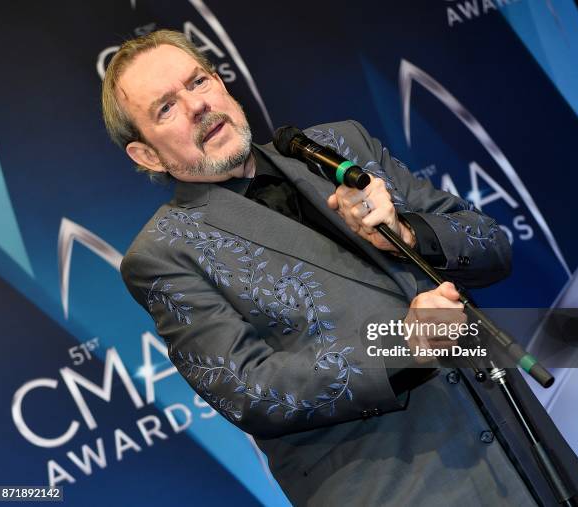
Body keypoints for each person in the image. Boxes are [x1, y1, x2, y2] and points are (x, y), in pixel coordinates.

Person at [103, 29, 537, 506]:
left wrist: (407, 234)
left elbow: (492, 244)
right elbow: (253, 391)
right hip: (403, 487)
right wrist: (405, 343)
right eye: (166, 108)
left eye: (198, 82)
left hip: (527, 451)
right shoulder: (163, 253)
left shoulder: (335, 146)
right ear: (146, 154)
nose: (197, 106)